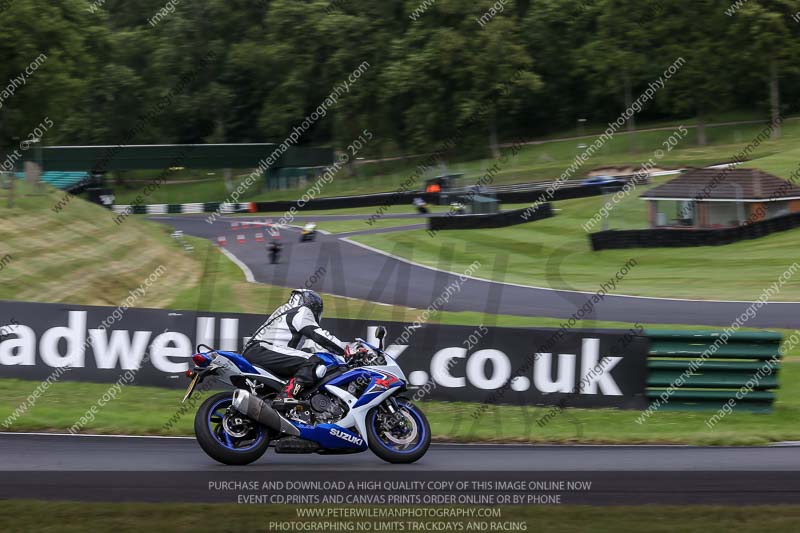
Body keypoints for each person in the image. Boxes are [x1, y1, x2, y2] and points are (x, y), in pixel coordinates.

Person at [242, 289, 347, 404]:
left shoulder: (285, 310)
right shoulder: (302, 311)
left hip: (259, 351)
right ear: (313, 305)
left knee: (304, 364)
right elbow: (317, 334)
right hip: (262, 350)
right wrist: (345, 349)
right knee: (313, 361)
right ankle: (285, 396)